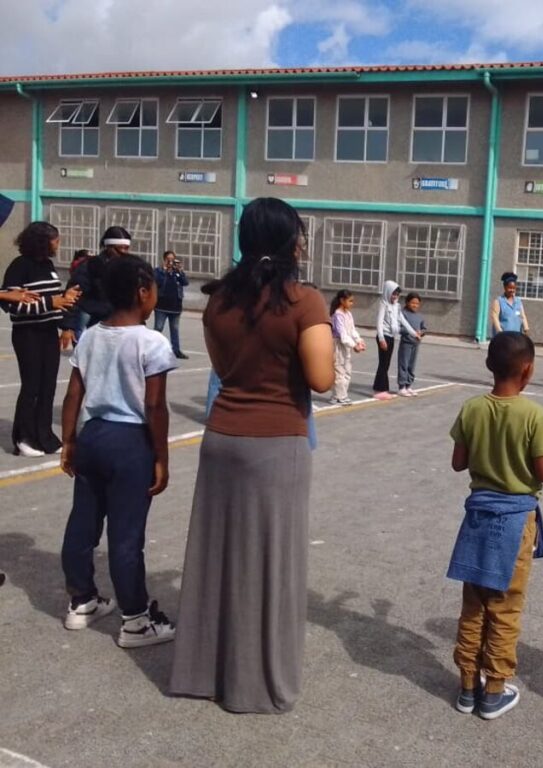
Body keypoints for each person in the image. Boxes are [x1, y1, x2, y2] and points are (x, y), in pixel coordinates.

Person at [169, 198, 334, 714]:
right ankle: (257, 683)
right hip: (276, 442)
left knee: (219, 558)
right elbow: (322, 380)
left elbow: (224, 367)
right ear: (290, 242)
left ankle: (205, 672)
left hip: (222, 439)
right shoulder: (304, 301)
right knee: (271, 563)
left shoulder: (218, 301)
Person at [446, 331, 543, 719]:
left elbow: (458, 462)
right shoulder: (533, 415)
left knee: (474, 604)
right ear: (529, 369)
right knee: (505, 607)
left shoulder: (472, 408)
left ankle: (468, 686)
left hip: (477, 518)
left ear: (490, 366)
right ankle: (495, 690)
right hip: (515, 523)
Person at [59, 255, 177, 647]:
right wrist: (161, 457)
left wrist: (70, 440)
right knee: (126, 535)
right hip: (130, 443)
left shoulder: (91, 333)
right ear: (143, 291)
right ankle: (136, 620)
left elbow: (74, 392)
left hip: (92, 435)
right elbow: (155, 406)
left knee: (83, 522)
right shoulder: (152, 342)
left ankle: (82, 600)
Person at [2, 222, 81, 457]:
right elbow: (12, 306)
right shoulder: (19, 266)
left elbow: (53, 298)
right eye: (55, 239)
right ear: (41, 241)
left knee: (48, 386)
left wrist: (65, 303)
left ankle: (44, 436)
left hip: (47, 332)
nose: (58, 243)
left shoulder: (47, 265)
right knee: (32, 386)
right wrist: (51, 302)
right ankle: (23, 438)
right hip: (28, 334)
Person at [60, 226, 132, 349]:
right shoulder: (91, 266)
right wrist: (67, 327)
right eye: (120, 248)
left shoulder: (128, 267)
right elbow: (73, 295)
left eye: (127, 248)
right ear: (108, 247)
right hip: (95, 322)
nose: (124, 252)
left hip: (119, 325)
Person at [373, 280, 417, 401]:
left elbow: (403, 321)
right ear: (387, 292)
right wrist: (381, 339)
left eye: (397, 294)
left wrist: (414, 333)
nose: (395, 296)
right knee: (383, 363)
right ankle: (381, 390)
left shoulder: (396, 306)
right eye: (393, 294)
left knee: (385, 363)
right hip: (384, 336)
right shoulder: (383, 304)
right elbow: (379, 323)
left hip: (391, 337)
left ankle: (378, 387)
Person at [329, 289, 365, 406]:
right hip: (338, 345)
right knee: (339, 370)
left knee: (347, 370)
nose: (352, 304)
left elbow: (352, 330)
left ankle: (337, 396)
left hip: (346, 345)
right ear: (342, 300)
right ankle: (340, 396)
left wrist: (359, 340)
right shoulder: (337, 315)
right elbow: (342, 334)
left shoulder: (348, 314)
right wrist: (354, 345)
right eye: (350, 301)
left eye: (352, 301)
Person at [153, 250, 190, 360]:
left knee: (174, 329)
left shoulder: (177, 272)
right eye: (168, 260)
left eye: (172, 260)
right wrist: (164, 271)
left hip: (175, 306)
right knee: (158, 328)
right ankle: (153, 349)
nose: (170, 262)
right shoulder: (158, 271)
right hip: (161, 305)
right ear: (164, 260)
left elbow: (185, 282)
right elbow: (156, 281)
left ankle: (176, 350)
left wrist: (180, 271)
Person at [398, 292, 427, 397]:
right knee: (403, 364)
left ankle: (408, 385)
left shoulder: (419, 316)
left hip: (416, 343)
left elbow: (424, 328)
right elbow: (399, 328)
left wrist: (421, 332)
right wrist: (410, 332)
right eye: (412, 303)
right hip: (406, 343)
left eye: (417, 303)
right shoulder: (402, 314)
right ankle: (401, 387)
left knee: (411, 365)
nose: (415, 305)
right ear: (407, 302)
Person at [490, 272, 529, 336]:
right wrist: (499, 331)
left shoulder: (518, 301)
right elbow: (495, 317)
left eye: (514, 288)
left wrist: (526, 328)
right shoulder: (498, 301)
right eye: (510, 288)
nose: (512, 290)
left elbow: (522, 316)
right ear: (504, 287)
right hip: (503, 337)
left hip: (516, 336)